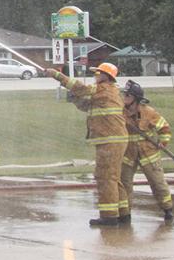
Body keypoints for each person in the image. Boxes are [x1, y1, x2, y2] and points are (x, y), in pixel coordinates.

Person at [45, 62, 129, 226]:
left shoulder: (103, 88)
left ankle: (109, 216)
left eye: (98, 73)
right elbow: (87, 105)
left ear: (106, 76)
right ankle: (124, 214)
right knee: (113, 177)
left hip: (109, 140)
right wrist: (75, 100)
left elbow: (80, 87)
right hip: (113, 139)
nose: (95, 76)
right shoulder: (108, 91)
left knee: (105, 178)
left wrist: (56, 75)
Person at [120, 80, 174, 223]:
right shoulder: (120, 112)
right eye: (124, 94)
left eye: (127, 95)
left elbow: (165, 128)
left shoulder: (149, 112)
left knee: (158, 183)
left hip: (149, 155)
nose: (124, 97)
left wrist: (163, 142)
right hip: (128, 155)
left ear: (135, 99)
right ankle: (125, 214)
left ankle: (168, 210)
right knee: (124, 184)